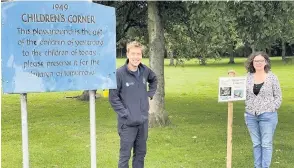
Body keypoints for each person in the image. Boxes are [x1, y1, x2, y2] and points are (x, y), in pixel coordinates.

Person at [109, 41, 158, 168]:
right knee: (125, 156)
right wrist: (125, 113)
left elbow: (154, 79)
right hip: (127, 124)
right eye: (133, 54)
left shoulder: (145, 70)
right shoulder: (119, 74)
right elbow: (113, 98)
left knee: (140, 154)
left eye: (139, 54)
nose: (136, 57)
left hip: (142, 122)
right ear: (127, 54)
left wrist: (149, 94)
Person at [244, 51, 282, 168]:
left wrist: (272, 108)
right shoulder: (248, 78)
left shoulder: (272, 77)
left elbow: (278, 96)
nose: (258, 63)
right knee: (256, 144)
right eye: (256, 61)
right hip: (251, 116)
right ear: (252, 63)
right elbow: (240, 93)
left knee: (266, 144)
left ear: (265, 62)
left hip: (268, 115)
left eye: (261, 61)